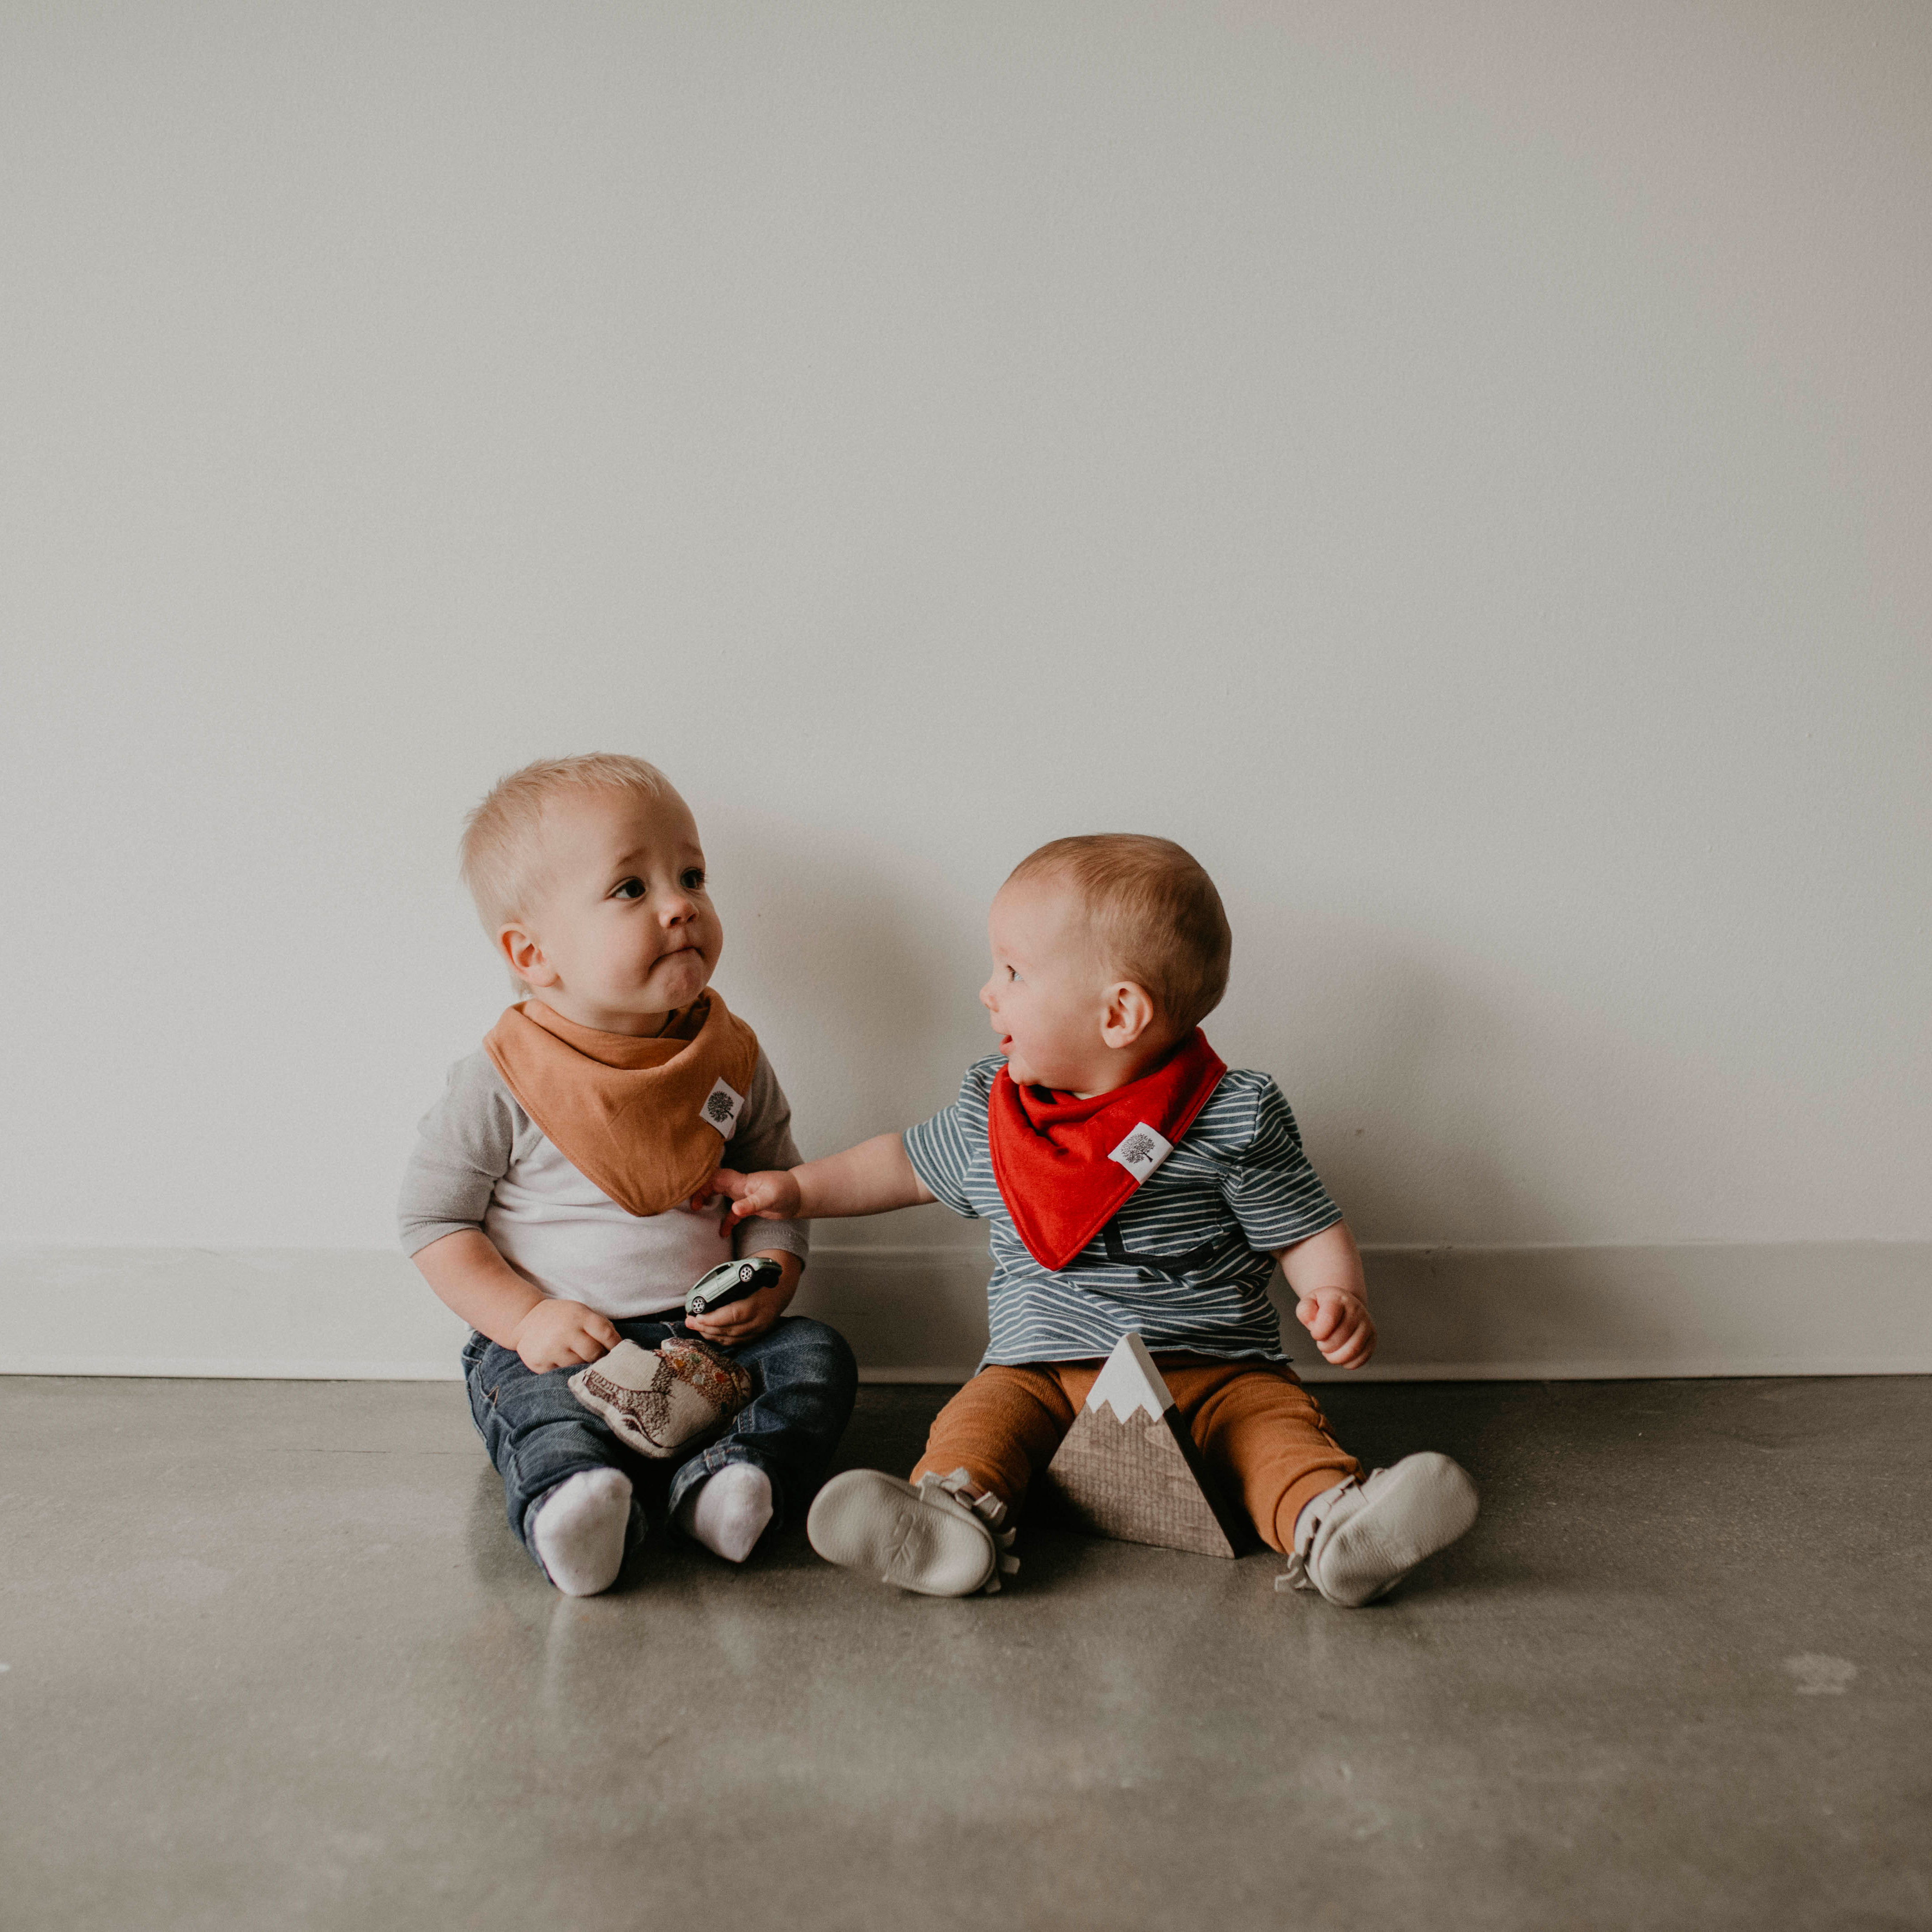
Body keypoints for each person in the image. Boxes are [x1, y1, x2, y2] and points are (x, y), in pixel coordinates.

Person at [714, 833, 1475, 1605]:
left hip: (1216, 1366)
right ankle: (949, 1517)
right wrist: (798, 1190)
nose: (988, 991)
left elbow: (1302, 1227)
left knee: (1272, 1435)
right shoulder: (994, 1117)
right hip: (1039, 1369)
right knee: (980, 1423)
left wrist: (1336, 1293)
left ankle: (1331, 1522)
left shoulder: (1228, 1116)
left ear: (1119, 1013)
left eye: (1013, 972)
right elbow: (903, 1164)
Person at [399, 753, 855, 1596]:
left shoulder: (729, 1056)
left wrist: (771, 1274)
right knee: (531, 1404)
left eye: (692, 877)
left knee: (816, 1357)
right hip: (567, 1346)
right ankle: (574, 1500)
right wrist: (526, 1319)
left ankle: (727, 1481)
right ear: (533, 953)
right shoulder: (504, 1080)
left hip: (704, 1341)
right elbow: (434, 1221)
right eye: (631, 889)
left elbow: (774, 1184)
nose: (681, 905)